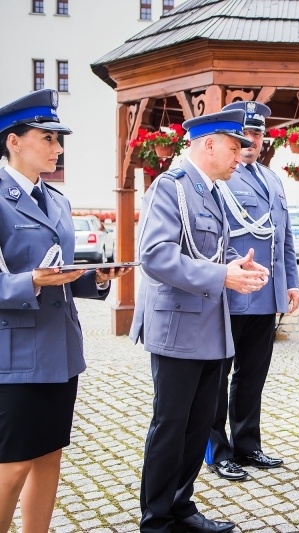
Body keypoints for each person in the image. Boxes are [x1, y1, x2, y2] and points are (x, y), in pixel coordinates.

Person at [130, 109, 270, 533]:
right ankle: (156, 520)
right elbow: (155, 256)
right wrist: (220, 274)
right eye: (233, 146)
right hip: (178, 330)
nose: (239, 155)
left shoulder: (209, 191)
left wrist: (233, 266)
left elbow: (201, 253)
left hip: (209, 329)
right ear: (208, 144)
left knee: (197, 428)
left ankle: (181, 508)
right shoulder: (170, 188)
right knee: (171, 427)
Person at [0, 89, 131, 533]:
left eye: (60, 140)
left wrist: (93, 278)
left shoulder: (56, 199)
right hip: (15, 354)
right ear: (13, 141)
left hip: (61, 350)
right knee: (13, 464)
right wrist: (30, 281)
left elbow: (60, 270)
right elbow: (31, 276)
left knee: (49, 456)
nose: (58, 149)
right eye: (48, 138)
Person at [205, 101, 299, 482]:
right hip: (230, 293)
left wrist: (291, 282)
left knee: (252, 376)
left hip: (265, 296)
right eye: (245, 132)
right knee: (218, 377)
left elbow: (284, 236)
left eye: (258, 133)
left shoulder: (272, 179)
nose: (251, 140)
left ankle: (247, 445)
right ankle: (217, 451)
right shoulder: (220, 177)